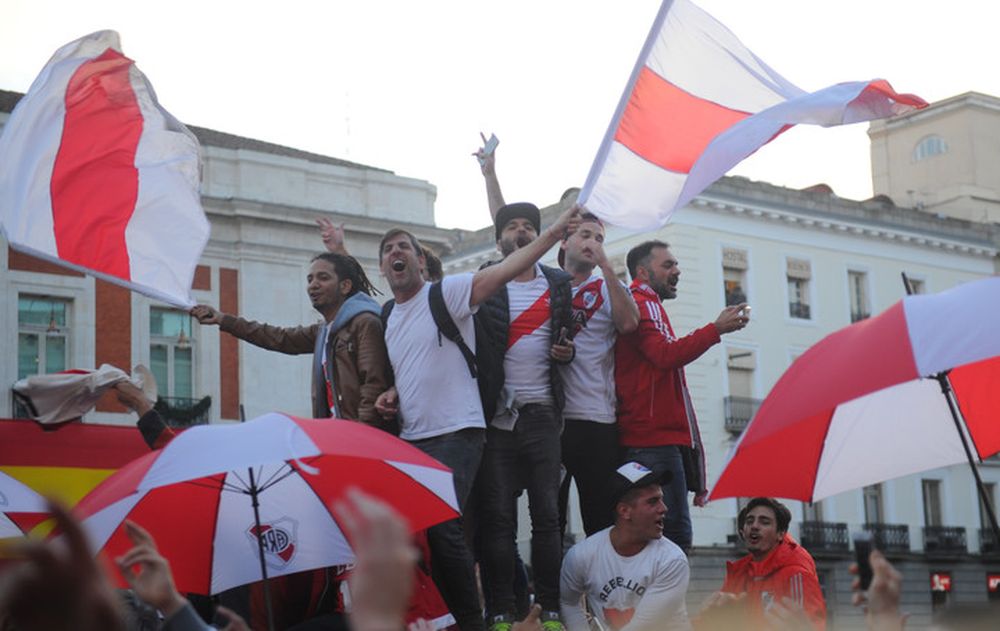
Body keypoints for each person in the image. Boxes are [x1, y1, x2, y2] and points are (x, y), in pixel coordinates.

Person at [374, 202, 581, 631]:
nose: (397, 252)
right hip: (413, 438)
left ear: (419, 259)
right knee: (442, 528)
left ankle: (473, 620)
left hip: (460, 431)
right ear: (382, 268)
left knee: (445, 525)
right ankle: (461, 613)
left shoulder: (447, 292)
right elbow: (408, 364)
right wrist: (391, 393)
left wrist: (556, 231)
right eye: (388, 249)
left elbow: (508, 268)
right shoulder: (389, 315)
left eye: (404, 247)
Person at [473, 139, 575, 631]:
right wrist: (491, 174)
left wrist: (566, 352)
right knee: (497, 521)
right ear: (500, 242)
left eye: (529, 227)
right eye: (513, 227)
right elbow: (501, 217)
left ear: (543, 238)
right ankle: (499, 609)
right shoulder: (486, 280)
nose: (521, 232)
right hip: (496, 417)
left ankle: (550, 608)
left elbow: (569, 336)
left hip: (542, 416)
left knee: (548, 519)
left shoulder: (557, 284)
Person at [615, 240, 748, 550]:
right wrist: (715, 330)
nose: (677, 270)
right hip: (652, 440)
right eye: (668, 265)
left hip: (656, 439)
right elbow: (665, 355)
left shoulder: (651, 304)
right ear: (643, 272)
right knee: (672, 538)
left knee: (666, 538)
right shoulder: (641, 301)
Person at [191, 252, 391, 428]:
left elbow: (373, 383)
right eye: (310, 279)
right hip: (333, 434)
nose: (313, 285)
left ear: (345, 286)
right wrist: (223, 320)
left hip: (358, 435)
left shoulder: (365, 322)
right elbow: (279, 337)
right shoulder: (323, 331)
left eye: (323, 278)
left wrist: (363, 432)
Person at [557, 212, 639, 537]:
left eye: (600, 238)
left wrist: (608, 268)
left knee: (600, 519)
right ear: (564, 242)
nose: (593, 243)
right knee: (550, 519)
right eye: (586, 235)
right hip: (553, 420)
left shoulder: (608, 286)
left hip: (597, 420)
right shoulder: (545, 283)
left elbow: (629, 324)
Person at [559, 462, 692, 631]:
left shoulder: (672, 560)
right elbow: (568, 602)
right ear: (624, 511)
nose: (664, 509)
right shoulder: (582, 555)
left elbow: (644, 626)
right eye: (653, 502)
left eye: (662, 500)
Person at [699, 497, 825, 631]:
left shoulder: (796, 575)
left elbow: (811, 625)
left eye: (764, 522)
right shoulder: (738, 573)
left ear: (781, 534)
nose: (754, 526)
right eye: (749, 521)